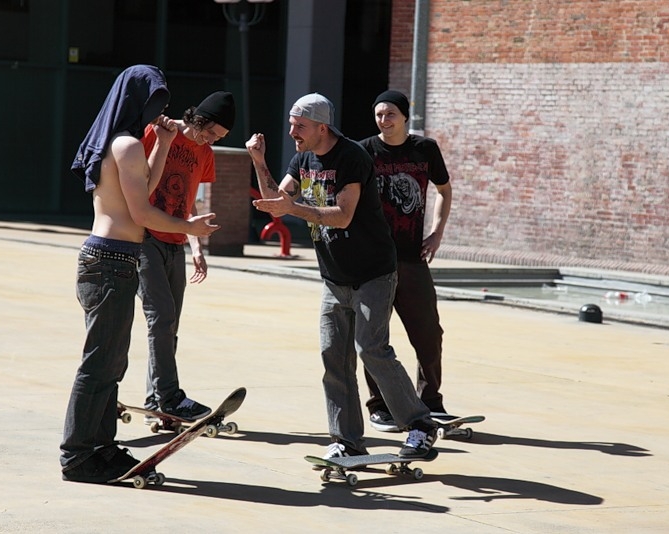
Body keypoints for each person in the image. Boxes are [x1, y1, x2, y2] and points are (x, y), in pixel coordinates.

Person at [245, 93, 438, 459]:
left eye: (299, 125)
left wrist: (295, 207)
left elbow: (343, 215)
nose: (292, 131)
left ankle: (420, 425)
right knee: (333, 356)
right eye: (290, 123)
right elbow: (276, 202)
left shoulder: (352, 157)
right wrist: (257, 160)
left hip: (373, 272)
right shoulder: (302, 157)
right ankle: (346, 439)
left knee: (371, 349)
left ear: (321, 127)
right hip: (334, 276)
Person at [60, 65, 219, 484]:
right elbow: (143, 212)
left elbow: (144, 189)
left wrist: (164, 143)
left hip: (116, 259)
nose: (159, 113)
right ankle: (77, 455)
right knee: (99, 364)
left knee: (112, 363)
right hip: (110, 259)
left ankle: (101, 446)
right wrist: (192, 229)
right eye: (155, 105)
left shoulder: (125, 143)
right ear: (137, 102)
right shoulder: (127, 144)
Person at [137, 91, 236, 422]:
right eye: (210, 133)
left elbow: (191, 199)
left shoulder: (205, 153)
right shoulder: (159, 132)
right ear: (200, 119)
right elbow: (136, 183)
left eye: (217, 139)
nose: (209, 141)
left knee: (170, 324)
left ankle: (155, 401)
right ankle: (169, 396)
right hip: (145, 236)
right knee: (161, 317)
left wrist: (196, 246)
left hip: (176, 241)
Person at [359, 90, 452, 432]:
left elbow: (444, 190)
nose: (384, 120)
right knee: (374, 336)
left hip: (412, 258)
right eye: (379, 114)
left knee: (429, 333)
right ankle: (380, 405)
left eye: (390, 114)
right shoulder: (364, 150)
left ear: (404, 117)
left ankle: (430, 401)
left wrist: (437, 232)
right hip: (374, 261)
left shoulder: (424, 150)